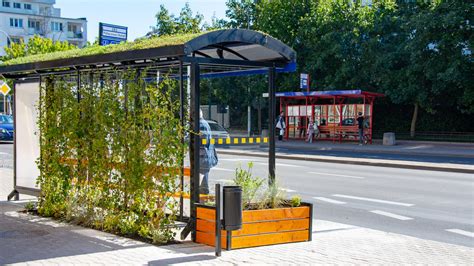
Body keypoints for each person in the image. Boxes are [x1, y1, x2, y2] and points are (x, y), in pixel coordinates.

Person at [199, 109, 218, 194]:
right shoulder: (204, 123)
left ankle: (203, 199)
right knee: (203, 180)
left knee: (202, 180)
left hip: (202, 156)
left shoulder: (201, 124)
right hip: (205, 156)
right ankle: (203, 198)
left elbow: (202, 142)